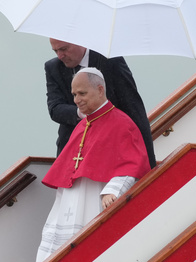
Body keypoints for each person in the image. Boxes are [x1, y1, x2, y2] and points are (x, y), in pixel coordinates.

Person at [36, 68, 151, 262]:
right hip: (72, 200)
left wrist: (112, 191)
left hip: (97, 196)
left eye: (82, 93)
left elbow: (132, 164)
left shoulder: (122, 123)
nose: (76, 100)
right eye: (74, 95)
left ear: (100, 90)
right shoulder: (81, 126)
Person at [45, 38, 157, 168]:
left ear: (79, 42)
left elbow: (133, 108)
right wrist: (82, 112)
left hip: (112, 146)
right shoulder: (53, 67)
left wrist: (149, 162)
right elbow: (55, 109)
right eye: (55, 51)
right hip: (73, 150)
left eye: (64, 49)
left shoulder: (110, 61)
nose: (60, 56)